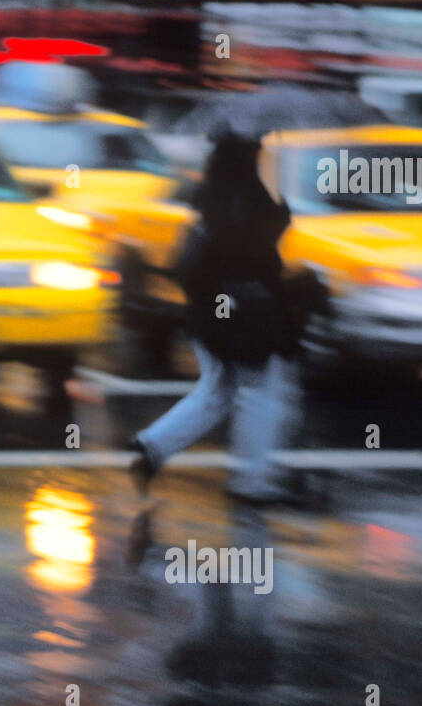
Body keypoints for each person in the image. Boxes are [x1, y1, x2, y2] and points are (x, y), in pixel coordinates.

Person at [128, 132, 319, 506]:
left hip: (215, 310)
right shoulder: (244, 198)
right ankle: (252, 481)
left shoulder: (216, 194)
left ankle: (152, 448)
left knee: (219, 390)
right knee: (263, 392)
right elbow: (253, 249)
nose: (262, 153)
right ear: (246, 156)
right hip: (239, 312)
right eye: (256, 149)